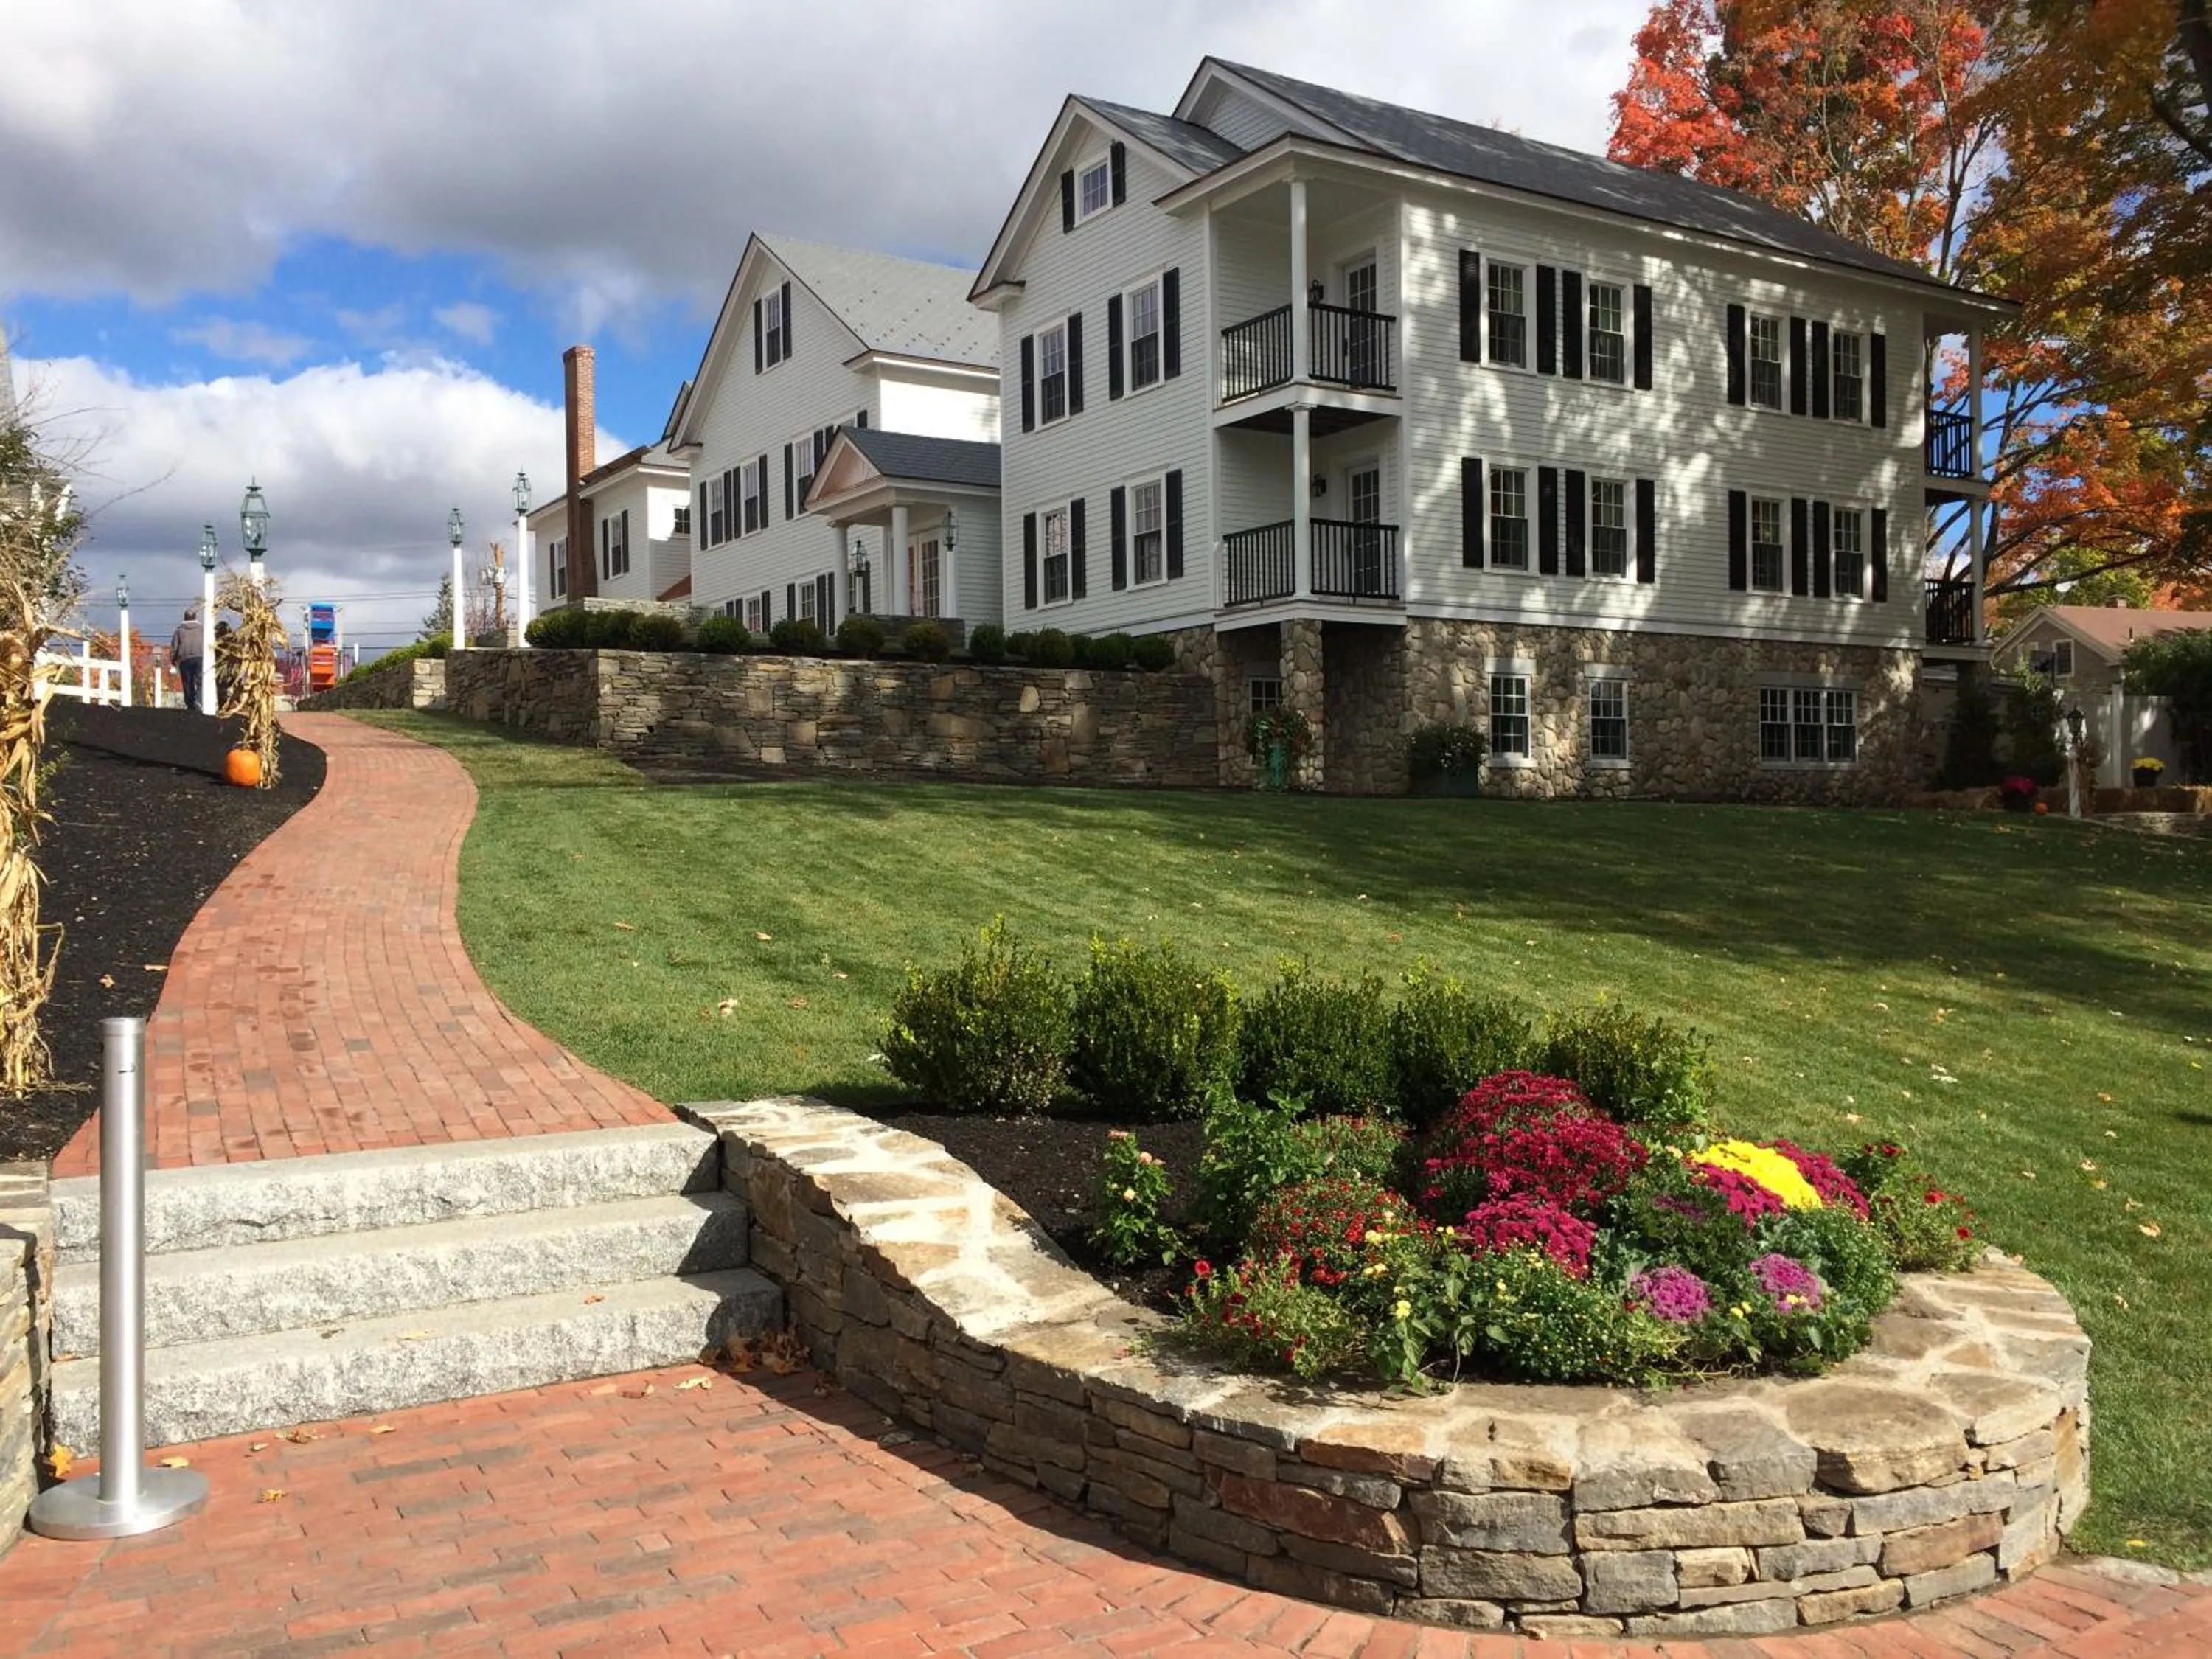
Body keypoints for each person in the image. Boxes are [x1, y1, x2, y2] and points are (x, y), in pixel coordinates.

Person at [170, 608, 204, 712]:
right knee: (200, 681)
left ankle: (190, 704)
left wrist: (173, 661)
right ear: (195, 618)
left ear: (184, 618)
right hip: (200, 658)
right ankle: (199, 701)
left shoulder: (179, 631)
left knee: (187, 682)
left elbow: (174, 647)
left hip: (185, 659)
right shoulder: (202, 629)